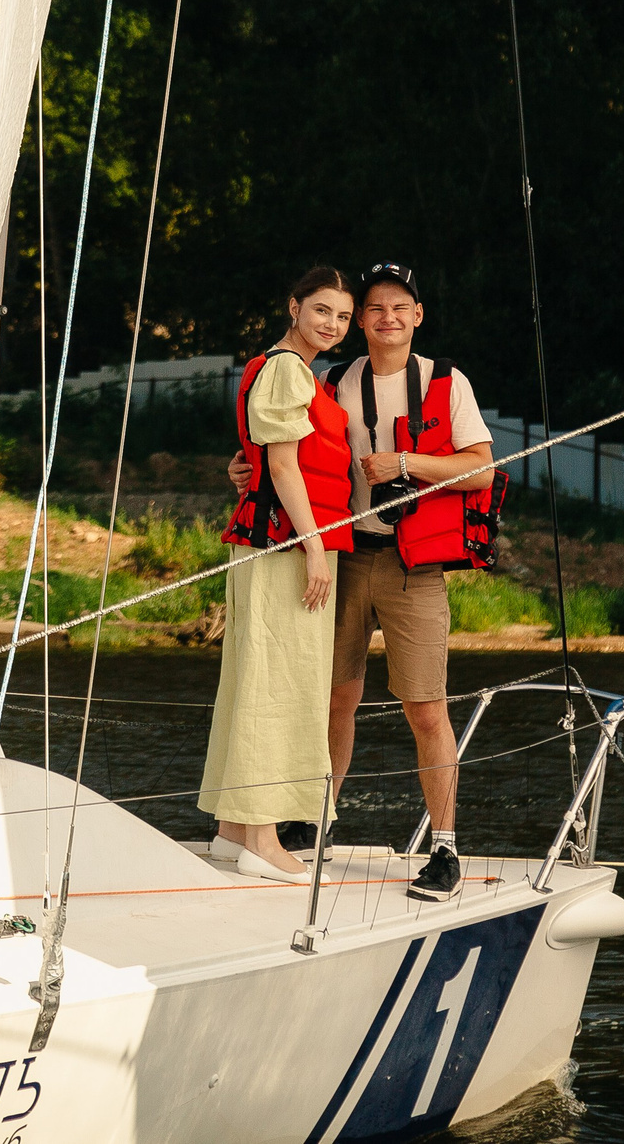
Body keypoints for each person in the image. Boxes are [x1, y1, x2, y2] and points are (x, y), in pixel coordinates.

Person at [234, 261, 501, 903]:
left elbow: (482, 473)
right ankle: (317, 817)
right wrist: (245, 475)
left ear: (417, 317)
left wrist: (406, 462)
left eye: (398, 307)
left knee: (425, 708)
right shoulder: (333, 379)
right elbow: (289, 453)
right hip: (346, 557)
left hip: (415, 567)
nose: (385, 317)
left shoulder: (446, 383)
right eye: (373, 307)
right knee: (334, 697)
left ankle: (444, 847)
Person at [201, 265, 356, 883]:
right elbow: (286, 469)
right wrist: (316, 549)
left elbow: (262, 461)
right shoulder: (288, 369)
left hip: (275, 542)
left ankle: (234, 830)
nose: (332, 324)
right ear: (294, 307)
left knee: (256, 678)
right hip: (287, 547)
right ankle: (262, 837)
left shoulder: (284, 370)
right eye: (321, 310)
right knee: (278, 684)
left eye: (342, 316)